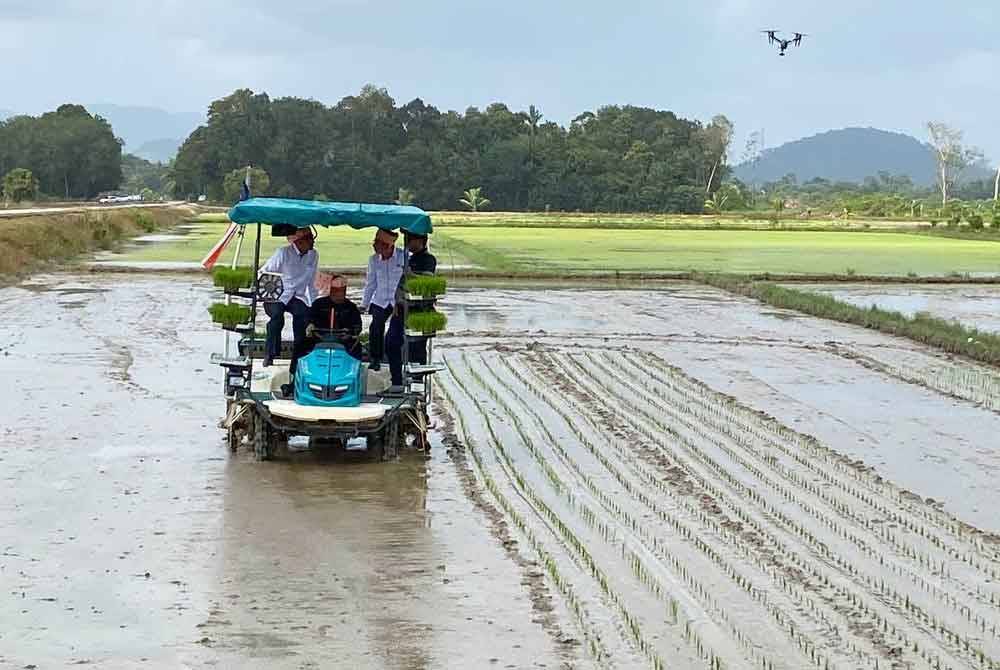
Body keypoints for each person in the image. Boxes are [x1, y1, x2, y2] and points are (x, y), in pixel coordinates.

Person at [260, 228, 318, 391]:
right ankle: (270, 353)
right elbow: (264, 272)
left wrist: (313, 304)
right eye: (309, 239)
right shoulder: (283, 253)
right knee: (277, 317)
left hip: (296, 296)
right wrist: (270, 290)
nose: (312, 242)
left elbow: (312, 282)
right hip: (277, 295)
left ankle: (298, 357)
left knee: (304, 317)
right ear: (299, 241)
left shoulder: (313, 255)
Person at [387, 231, 439, 370]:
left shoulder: (428, 259)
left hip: (420, 310)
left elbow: (427, 281)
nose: (407, 243)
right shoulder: (409, 259)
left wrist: (410, 274)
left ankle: (417, 384)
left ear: (420, 240)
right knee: (392, 342)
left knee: (416, 350)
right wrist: (397, 302)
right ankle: (397, 381)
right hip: (402, 309)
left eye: (410, 239)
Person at [360, 229, 406, 379]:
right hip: (380, 300)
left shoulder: (403, 257)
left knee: (395, 330)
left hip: (397, 301)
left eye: (377, 243)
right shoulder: (373, 260)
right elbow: (370, 283)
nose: (373, 246)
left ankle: (397, 358)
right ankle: (376, 358)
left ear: (387, 246)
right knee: (376, 326)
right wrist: (364, 304)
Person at [306, 274, 363, 360]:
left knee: (357, 347)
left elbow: (357, 325)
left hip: (343, 340)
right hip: (320, 338)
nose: (339, 294)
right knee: (301, 344)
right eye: (336, 291)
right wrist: (310, 325)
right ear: (331, 290)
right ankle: (295, 369)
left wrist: (351, 333)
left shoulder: (351, 307)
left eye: (342, 291)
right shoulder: (319, 304)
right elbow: (310, 318)